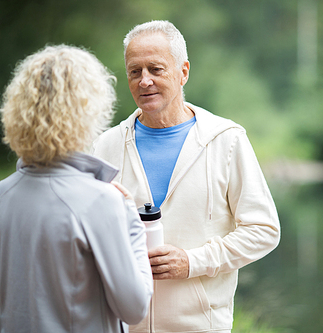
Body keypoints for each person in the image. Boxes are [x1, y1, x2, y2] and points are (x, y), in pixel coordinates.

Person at [92, 20, 281, 333]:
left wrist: (194, 262)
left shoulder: (226, 140)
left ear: (183, 72)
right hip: (122, 326)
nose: (144, 81)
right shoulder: (105, 145)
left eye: (155, 69)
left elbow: (264, 230)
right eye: (135, 71)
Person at [0, 45, 153, 333]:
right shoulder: (102, 201)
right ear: (88, 109)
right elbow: (134, 307)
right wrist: (131, 221)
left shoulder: (2, 195)